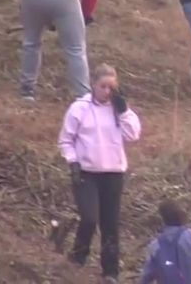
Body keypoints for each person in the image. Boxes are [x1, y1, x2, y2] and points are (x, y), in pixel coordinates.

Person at [59, 64, 142, 284]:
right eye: (103, 86)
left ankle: (110, 272)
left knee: (110, 224)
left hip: (113, 173)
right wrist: (72, 161)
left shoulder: (119, 109)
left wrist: (123, 111)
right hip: (86, 172)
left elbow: (133, 135)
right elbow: (66, 139)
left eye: (111, 87)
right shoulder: (80, 108)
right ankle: (77, 257)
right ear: (93, 85)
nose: (107, 91)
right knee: (89, 218)